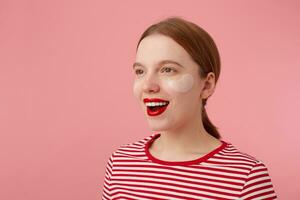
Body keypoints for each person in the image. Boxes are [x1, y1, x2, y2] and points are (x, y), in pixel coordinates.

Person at [101, 17, 277, 199]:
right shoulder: (120, 164)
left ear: (207, 85)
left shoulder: (246, 178)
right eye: (140, 71)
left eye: (168, 70)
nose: (148, 86)